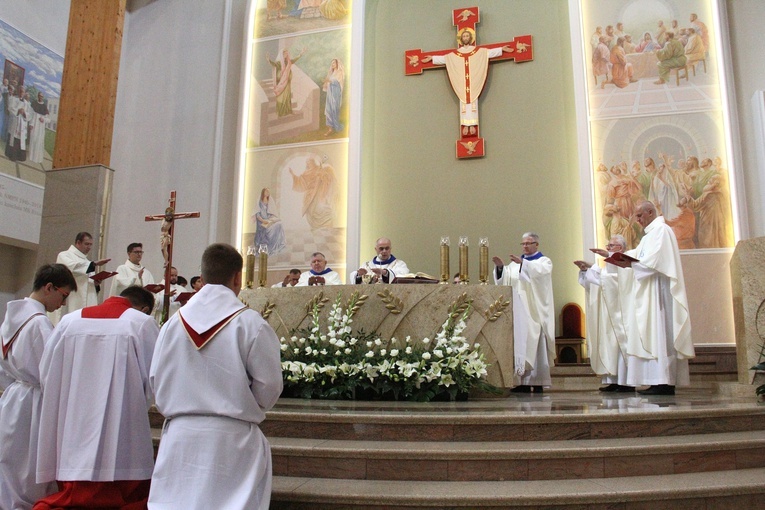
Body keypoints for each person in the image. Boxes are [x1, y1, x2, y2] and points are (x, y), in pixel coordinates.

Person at [148, 243, 283, 509]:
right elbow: (269, 386)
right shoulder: (251, 324)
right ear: (237, 278)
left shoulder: (171, 325)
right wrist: (242, 404)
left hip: (180, 438)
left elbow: (156, 379)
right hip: (233, 441)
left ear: (203, 277)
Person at [34, 286, 159, 509]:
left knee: (73, 486)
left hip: (73, 420)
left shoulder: (68, 322)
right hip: (122, 423)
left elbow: (47, 373)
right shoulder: (141, 323)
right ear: (144, 308)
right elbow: (156, 375)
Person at [0, 264, 76, 510]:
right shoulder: (39, 323)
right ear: (49, 287)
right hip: (35, 402)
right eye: (63, 295)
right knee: (29, 467)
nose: (63, 303)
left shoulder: (10, 319)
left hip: (12, 399)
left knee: (11, 462)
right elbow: (53, 372)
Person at [622, 201, 694, 395]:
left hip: (658, 291)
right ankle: (656, 380)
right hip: (649, 289)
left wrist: (631, 263)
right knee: (652, 333)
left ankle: (664, 381)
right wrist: (616, 255)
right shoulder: (650, 235)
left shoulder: (661, 231)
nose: (637, 220)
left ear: (650, 212)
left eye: (639, 216)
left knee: (659, 332)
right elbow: (638, 254)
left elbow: (652, 261)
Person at [421, 28, 513, 137]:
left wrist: (501, 49)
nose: (465, 38)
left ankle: (473, 124)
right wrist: (432, 58)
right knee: (463, 100)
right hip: (461, 81)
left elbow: (489, 53)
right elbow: (446, 59)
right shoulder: (456, 54)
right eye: (463, 36)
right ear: (461, 39)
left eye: (467, 36)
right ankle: (465, 124)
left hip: (473, 80)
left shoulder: (477, 52)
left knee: (473, 100)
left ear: (470, 38)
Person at [493, 232, 555, 393]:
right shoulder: (514, 264)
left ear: (536, 245)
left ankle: (538, 381)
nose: (525, 246)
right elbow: (505, 280)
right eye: (523, 244)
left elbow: (540, 277)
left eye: (529, 243)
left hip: (534, 312)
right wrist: (500, 269)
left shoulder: (544, 261)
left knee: (535, 344)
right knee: (520, 344)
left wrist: (524, 264)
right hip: (518, 311)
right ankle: (521, 382)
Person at [574, 236, 634, 393]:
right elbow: (597, 282)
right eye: (608, 245)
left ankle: (625, 382)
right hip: (607, 313)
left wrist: (595, 268)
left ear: (620, 249)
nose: (608, 248)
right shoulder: (608, 267)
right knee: (609, 346)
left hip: (619, 314)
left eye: (611, 245)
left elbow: (616, 281)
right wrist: (587, 270)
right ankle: (613, 380)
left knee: (619, 345)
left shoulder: (626, 263)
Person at [55, 232, 111, 319]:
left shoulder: (87, 261)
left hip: (88, 301)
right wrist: (94, 264)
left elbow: (87, 281)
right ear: (78, 243)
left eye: (90, 245)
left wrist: (95, 283)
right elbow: (72, 268)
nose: (89, 247)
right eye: (86, 244)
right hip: (74, 298)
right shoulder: (64, 255)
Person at [290, 155, 338, 229]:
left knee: (322, 208)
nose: (307, 164)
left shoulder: (322, 169)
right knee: (312, 211)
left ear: (313, 163)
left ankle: (327, 228)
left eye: (309, 163)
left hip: (320, 193)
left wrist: (322, 176)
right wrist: (293, 175)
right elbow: (301, 181)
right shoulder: (307, 173)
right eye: (307, 163)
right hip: (311, 196)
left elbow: (328, 180)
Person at [266, 47, 307, 117]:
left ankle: (288, 111)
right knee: (281, 97)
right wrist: (269, 60)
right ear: (282, 54)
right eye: (284, 54)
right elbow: (274, 64)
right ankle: (281, 113)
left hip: (287, 82)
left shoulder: (288, 62)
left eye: (287, 54)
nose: (286, 55)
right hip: (281, 83)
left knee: (287, 97)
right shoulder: (279, 62)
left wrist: (301, 54)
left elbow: (294, 60)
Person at [253, 187, 286, 255]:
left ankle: (278, 243)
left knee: (279, 224)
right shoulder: (259, 201)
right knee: (271, 228)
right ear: (263, 192)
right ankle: (269, 245)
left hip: (268, 220)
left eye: (268, 192)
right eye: (266, 191)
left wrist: (272, 219)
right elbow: (257, 215)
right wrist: (263, 221)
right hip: (261, 222)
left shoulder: (269, 201)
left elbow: (270, 213)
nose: (268, 193)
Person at [6, 85, 30, 162]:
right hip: (15, 121)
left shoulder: (26, 103)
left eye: (22, 91)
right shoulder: (13, 99)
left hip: (22, 123)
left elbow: (29, 114)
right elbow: (10, 108)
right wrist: (18, 111)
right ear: (18, 91)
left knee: (21, 140)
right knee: (13, 139)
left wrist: (24, 113)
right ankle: (11, 155)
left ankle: (20, 157)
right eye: (20, 91)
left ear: (24, 93)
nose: (21, 93)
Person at [322, 58, 345, 136]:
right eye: (331, 63)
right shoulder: (331, 73)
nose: (332, 65)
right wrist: (326, 82)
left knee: (334, 110)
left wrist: (330, 81)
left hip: (335, 95)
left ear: (337, 64)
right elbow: (328, 81)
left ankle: (335, 126)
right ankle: (330, 129)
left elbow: (339, 84)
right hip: (330, 95)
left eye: (334, 63)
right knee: (329, 110)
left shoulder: (339, 73)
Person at [28, 91, 49, 164]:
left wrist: (43, 119)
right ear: (38, 96)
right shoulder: (34, 104)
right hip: (34, 125)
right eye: (39, 96)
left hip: (40, 127)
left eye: (42, 96)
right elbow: (31, 115)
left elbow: (48, 119)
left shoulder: (44, 107)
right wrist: (31, 124)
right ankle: (31, 157)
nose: (41, 97)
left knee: (39, 141)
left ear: (43, 97)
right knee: (33, 139)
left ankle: (37, 158)